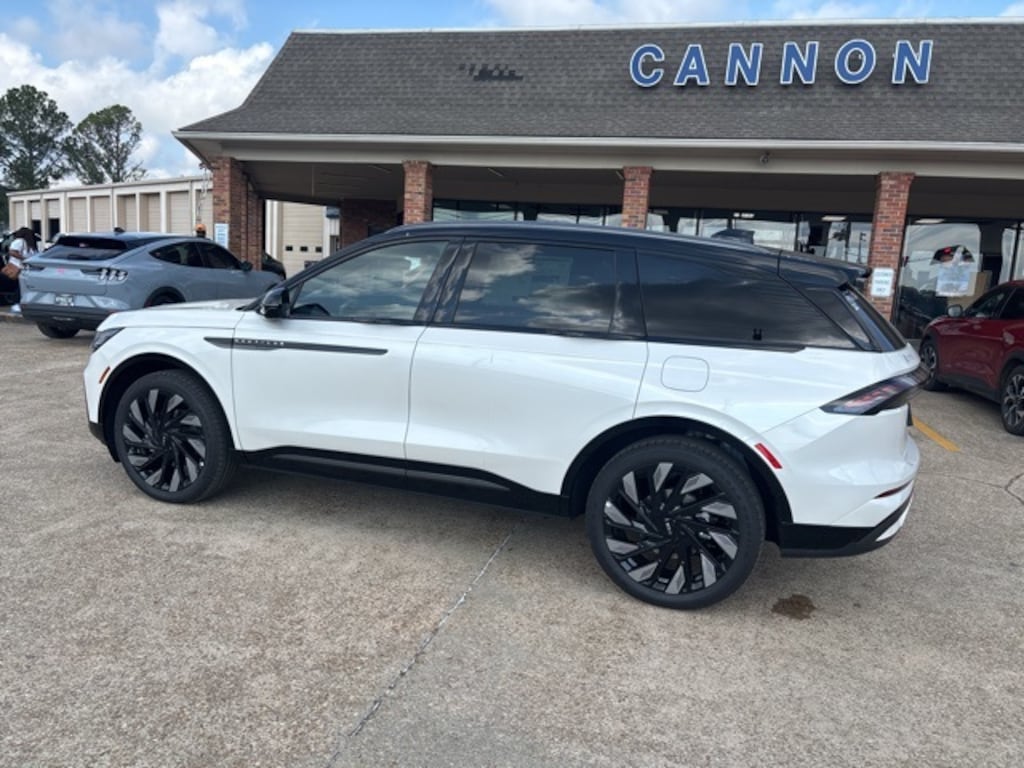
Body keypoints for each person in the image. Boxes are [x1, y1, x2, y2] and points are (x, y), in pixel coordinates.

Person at [1, 227, 40, 311]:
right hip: (21, 269)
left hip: (21, 269)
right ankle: (17, 302)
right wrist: (24, 258)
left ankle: (16, 303)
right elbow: (12, 252)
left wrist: (24, 258)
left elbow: (12, 252)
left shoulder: (23, 243)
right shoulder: (25, 243)